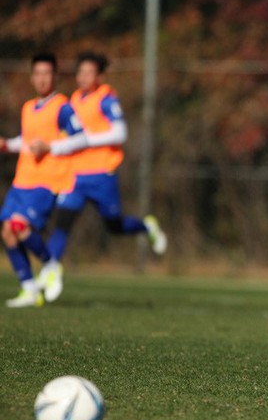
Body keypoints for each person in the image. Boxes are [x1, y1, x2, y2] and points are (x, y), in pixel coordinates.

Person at [31, 51, 167, 301]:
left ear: (99, 76)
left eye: (88, 73)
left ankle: (146, 226)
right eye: (80, 72)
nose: (82, 77)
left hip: (102, 175)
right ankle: (49, 272)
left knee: (114, 224)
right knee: (62, 224)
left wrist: (85, 140)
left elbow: (120, 133)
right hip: (75, 175)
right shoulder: (72, 100)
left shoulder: (106, 100)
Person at [1, 53, 86, 307]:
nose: (41, 79)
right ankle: (29, 288)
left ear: (55, 76)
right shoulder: (28, 107)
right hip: (22, 180)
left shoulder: (62, 106)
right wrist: (8, 144)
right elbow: (28, 142)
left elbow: (81, 138)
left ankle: (50, 264)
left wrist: (50, 147)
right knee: (7, 232)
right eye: (37, 74)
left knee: (18, 226)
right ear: (31, 77)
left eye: (46, 74)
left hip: (46, 181)